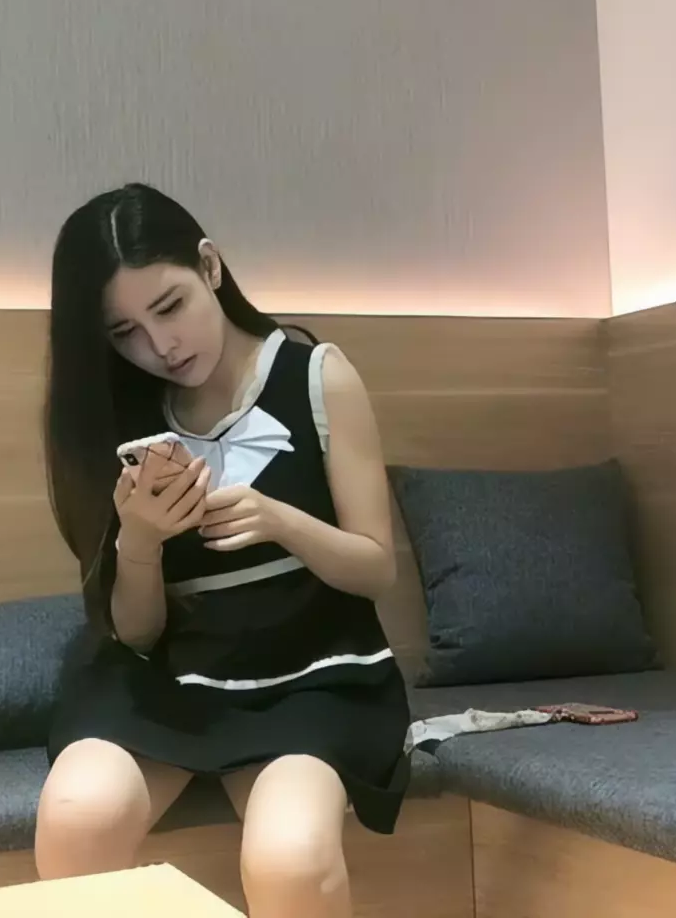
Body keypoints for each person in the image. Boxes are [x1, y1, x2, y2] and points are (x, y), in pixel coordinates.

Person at [36, 183, 408, 917]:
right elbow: (137, 633)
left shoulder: (317, 376)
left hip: (311, 670)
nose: (161, 346)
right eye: (125, 332)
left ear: (210, 267)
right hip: (170, 676)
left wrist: (282, 521)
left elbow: (377, 569)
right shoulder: (123, 412)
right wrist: (140, 542)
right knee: (78, 817)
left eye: (170, 306)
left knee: (290, 860)